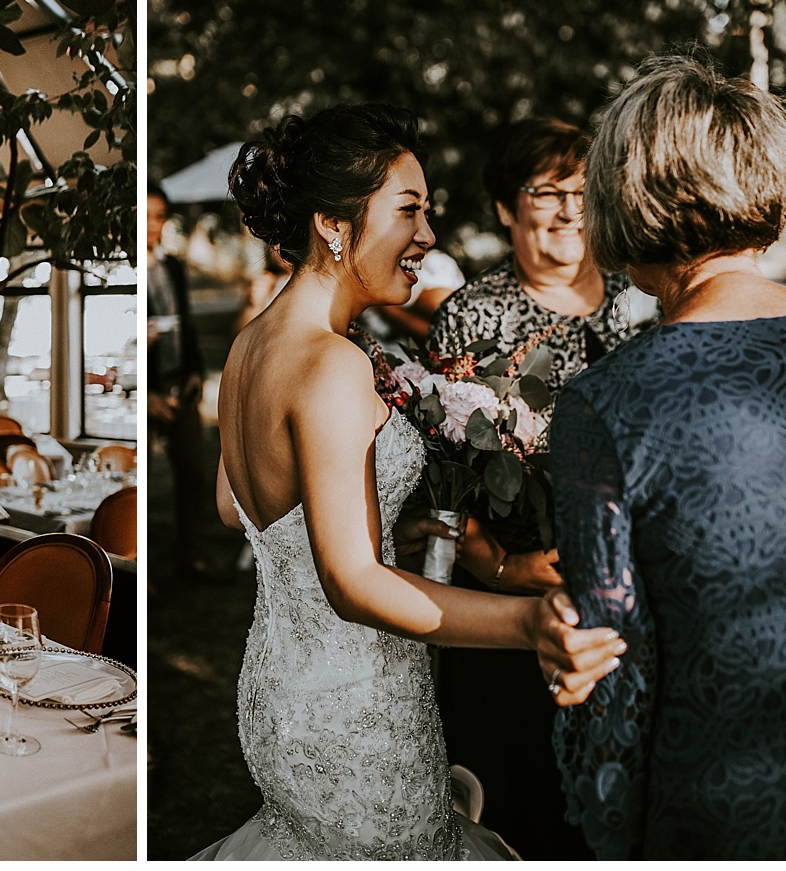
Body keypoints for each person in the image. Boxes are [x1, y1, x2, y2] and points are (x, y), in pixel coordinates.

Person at [192, 103, 624, 860]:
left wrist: (391, 517)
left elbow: (235, 509)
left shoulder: (251, 343)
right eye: (409, 210)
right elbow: (353, 582)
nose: (427, 236)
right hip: (357, 707)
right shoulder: (331, 364)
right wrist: (529, 625)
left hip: (280, 689)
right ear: (333, 223)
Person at [551, 56, 786, 859]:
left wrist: (607, 834)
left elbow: (610, 662)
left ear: (623, 203)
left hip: (720, 803)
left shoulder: (607, 402)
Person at [418, 117, 632, 859]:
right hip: (506, 602)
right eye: (546, 190)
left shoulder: (641, 308)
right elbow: (434, 480)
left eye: (582, 188)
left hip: (625, 595)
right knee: (512, 797)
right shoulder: (470, 317)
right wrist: (495, 565)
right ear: (507, 208)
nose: (570, 207)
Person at [145, 183, 220, 584]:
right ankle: (145, 580)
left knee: (193, 473)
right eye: (145, 217)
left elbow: (187, 322)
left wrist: (196, 371)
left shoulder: (171, 265)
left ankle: (194, 558)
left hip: (181, 383)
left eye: (159, 216)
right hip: (149, 391)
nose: (153, 225)